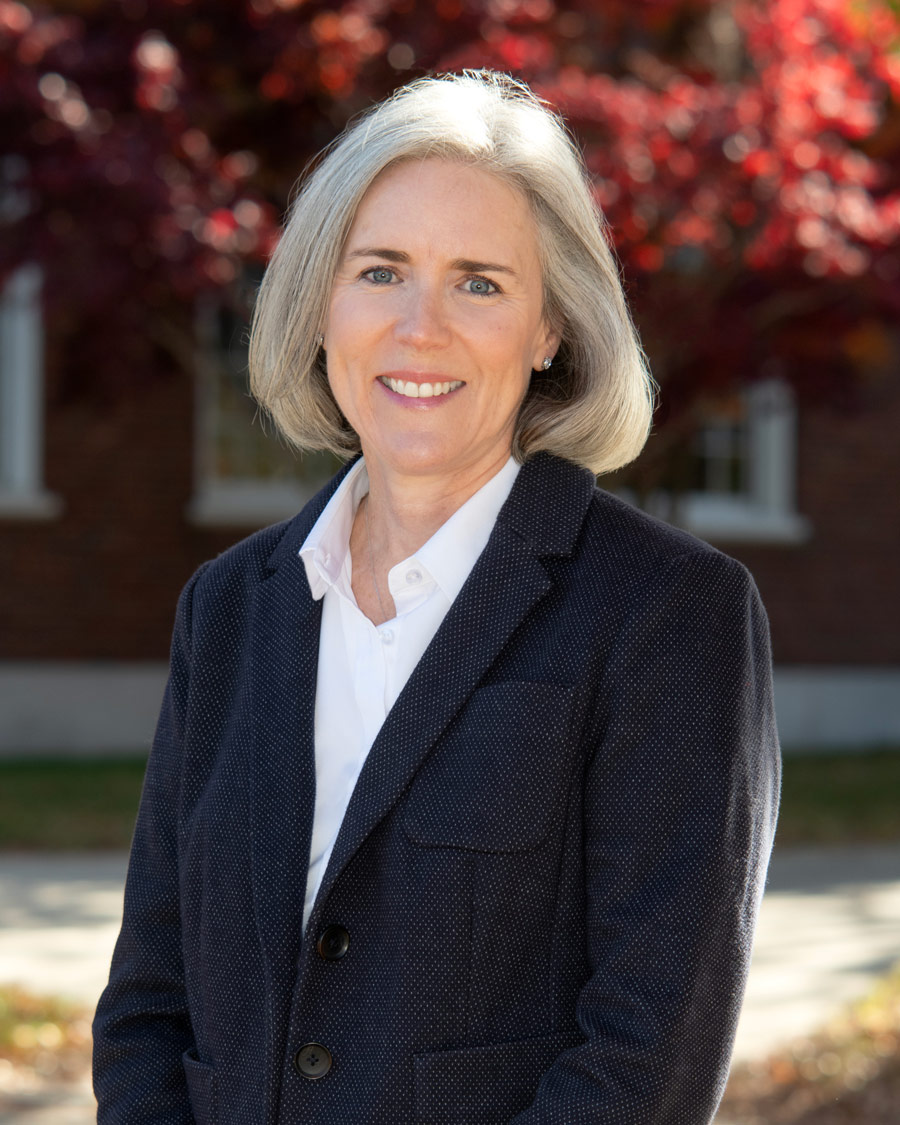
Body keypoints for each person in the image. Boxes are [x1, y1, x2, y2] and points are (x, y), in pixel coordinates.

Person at [93, 71, 780, 1124]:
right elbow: (148, 1006)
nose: (420, 327)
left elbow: (654, 1046)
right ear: (323, 305)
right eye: (381, 272)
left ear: (551, 329)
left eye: (480, 283)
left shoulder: (668, 612)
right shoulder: (227, 607)